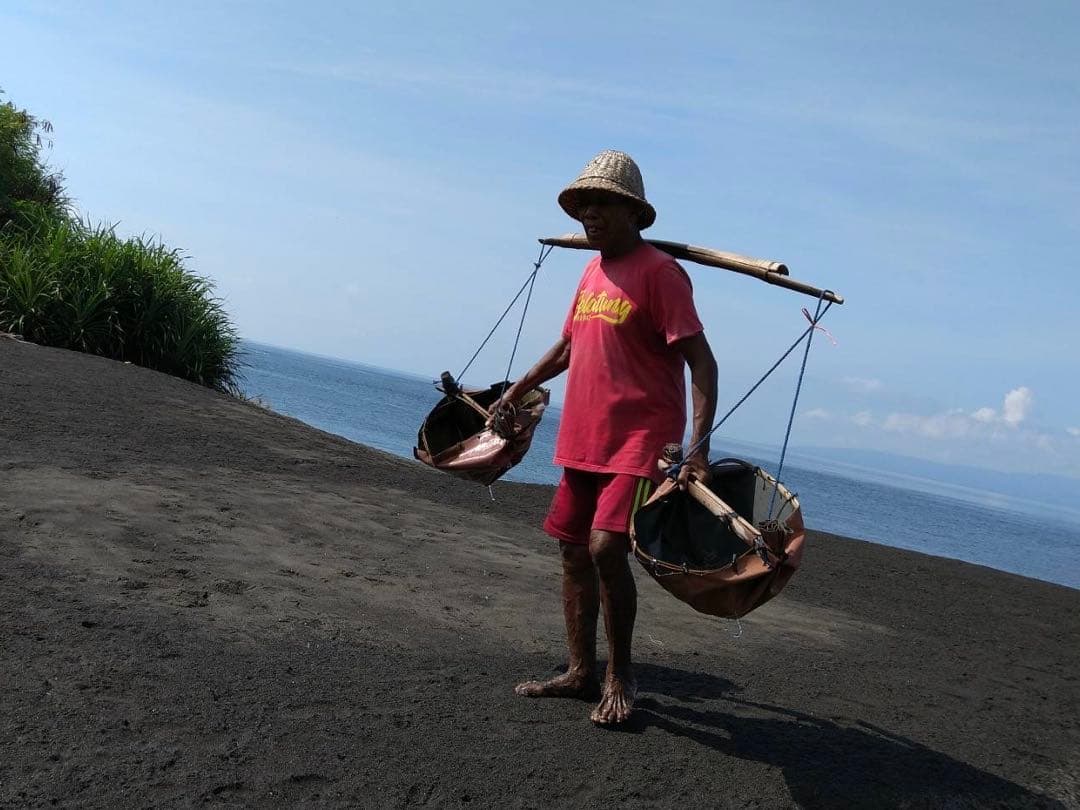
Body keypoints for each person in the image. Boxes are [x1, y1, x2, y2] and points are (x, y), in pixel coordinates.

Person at [492, 150, 718, 725]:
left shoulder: (661, 274)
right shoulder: (589, 272)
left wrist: (697, 449)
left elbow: (702, 363)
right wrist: (515, 390)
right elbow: (569, 347)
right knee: (572, 551)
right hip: (583, 439)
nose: (590, 214)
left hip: (640, 442)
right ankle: (579, 671)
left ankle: (621, 676)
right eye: (584, 205)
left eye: (603, 204)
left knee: (606, 547)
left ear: (633, 213)